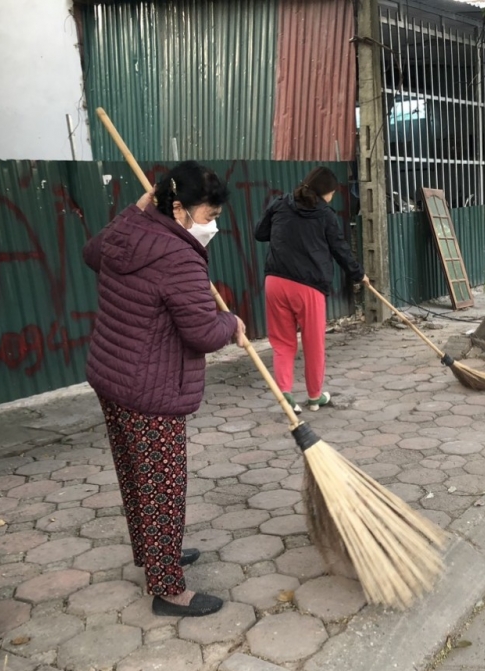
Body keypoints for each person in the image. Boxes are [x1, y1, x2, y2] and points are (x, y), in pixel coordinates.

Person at [83, 161, 246, 616]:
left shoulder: (129, 233)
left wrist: (136, 210)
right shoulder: (179, 258)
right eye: (208, 216)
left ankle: (153, 556)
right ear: (179, 209)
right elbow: (201, 334)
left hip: (112, 377)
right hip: (150, 390)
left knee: (137, 478)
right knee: (163, 487)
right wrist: (230, 322)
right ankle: (168, 589)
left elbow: (92, 252)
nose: (212, 225)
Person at [255, 166, 367, 412]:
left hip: (276, 281)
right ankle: (315, 397)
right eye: (332, 193)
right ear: (325, 192)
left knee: (282, 342)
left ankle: (285, 394)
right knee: (313, 343)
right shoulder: (325, 214)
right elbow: (340, 249)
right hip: (308, 287)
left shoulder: (280, 203)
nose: (332, 198)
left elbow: (259, 233)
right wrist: (359, 275)